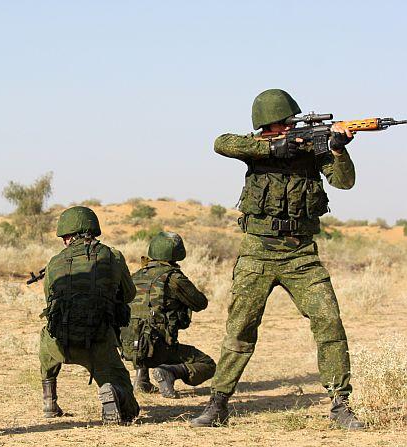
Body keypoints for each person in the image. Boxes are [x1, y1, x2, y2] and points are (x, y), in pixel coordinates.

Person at [190, 89, 364, 430]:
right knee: (240, 330)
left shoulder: (315, 150)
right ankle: (218, 404)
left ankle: (340, 404)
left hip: (302, 255)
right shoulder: (255, 148)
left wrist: (338, 148)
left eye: (293, 123)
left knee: (329, 323)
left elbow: (345, 182)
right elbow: (221, 142)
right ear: (269, 126)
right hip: (257, 253)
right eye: (285, 123)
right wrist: (272, 148)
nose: (291, 128)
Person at [38, 206, 140, 424]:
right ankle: (114, 392)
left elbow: (49, 299)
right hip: (99, 341)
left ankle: (49, 401)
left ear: (66, 236)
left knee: (45, 337)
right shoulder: (113, 256)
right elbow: (129, 294)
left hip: (60, 343)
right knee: (129, 405)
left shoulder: (54, 262)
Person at [120, 231, 216, 398]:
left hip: (129, 348)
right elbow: (200, 303)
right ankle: (170, 372)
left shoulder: (136, 276)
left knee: (142, 324)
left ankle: (142, 380)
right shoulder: (173, 277)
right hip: (158, 350)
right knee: (208, 364)